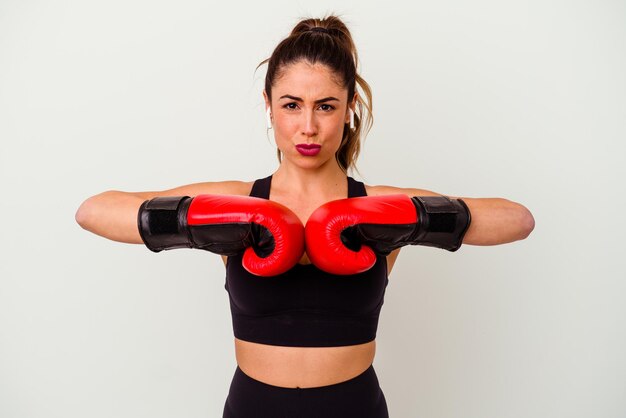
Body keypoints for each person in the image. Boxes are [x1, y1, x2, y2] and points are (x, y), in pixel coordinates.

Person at [75, 15, 534, 418]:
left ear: (349, 107)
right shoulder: (238, 201)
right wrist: (199, 223)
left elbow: (518, 219)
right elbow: (93, 211)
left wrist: (408, 220)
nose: (308, 126)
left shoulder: (380, 205)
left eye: (326, 106)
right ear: (269, 104)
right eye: (292, 104)